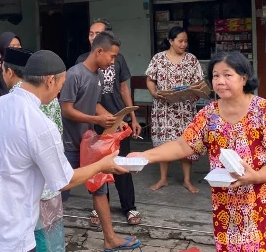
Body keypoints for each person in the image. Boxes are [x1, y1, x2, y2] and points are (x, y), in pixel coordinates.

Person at [129, 51, 266, 252]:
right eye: (216, 76)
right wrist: (145, 156)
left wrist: (257, 176)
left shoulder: (263, 110)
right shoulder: (209, 114)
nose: (220, 81)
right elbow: (182, 145)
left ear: (244, 78)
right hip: (228, 200)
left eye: (228, 75)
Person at [0, 50, 129, 252]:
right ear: (50, 81)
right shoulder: (38, 122)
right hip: (11, 233)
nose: (60, 91)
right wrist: (103, 164)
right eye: (61, 84)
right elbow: (65, 180)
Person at [61, 31, 141, 251]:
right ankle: (42, 238)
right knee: (58, 193)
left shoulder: (97, 76)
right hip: (69, 145)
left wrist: (116, 120)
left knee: (100, 190)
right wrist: (96, 119)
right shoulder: (74, 74)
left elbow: (94, 105)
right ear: (99, 51)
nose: (113, 61)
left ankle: (110, 239)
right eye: (112, 56)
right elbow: (66, 109)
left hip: (89, 145)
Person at [76, 18, 142, 226]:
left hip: (119, 120)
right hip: (94, 121)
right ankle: (99, 207)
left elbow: (123, 88)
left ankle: (129, 206)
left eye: (98, 34)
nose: (93, 38)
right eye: (90, 34)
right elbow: (84, 98)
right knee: (97, 166)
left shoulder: (117, 58)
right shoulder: (81, 62)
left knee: (122, 163)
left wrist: (131, 117)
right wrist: (100, 117)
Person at [2, 47, 66, 251]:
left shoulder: (11, 99)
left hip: (25, 186)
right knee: (52, 239)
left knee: (32, 239)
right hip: (52, 180)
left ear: (9, 72)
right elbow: (59, 131)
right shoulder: (50, 96)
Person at [145, 26, 204, 193]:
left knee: (186, 143)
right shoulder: (158, 59)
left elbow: (199, 84)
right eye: (180, 41)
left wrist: (196, 94)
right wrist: (154, 93)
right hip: (164, 109)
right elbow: (150, 80)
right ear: (170, 41)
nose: (184, 44)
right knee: (165, 144)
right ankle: (163, 179)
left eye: (186, 41)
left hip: (185, 109)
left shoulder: (192, 59)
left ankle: (187, 180)